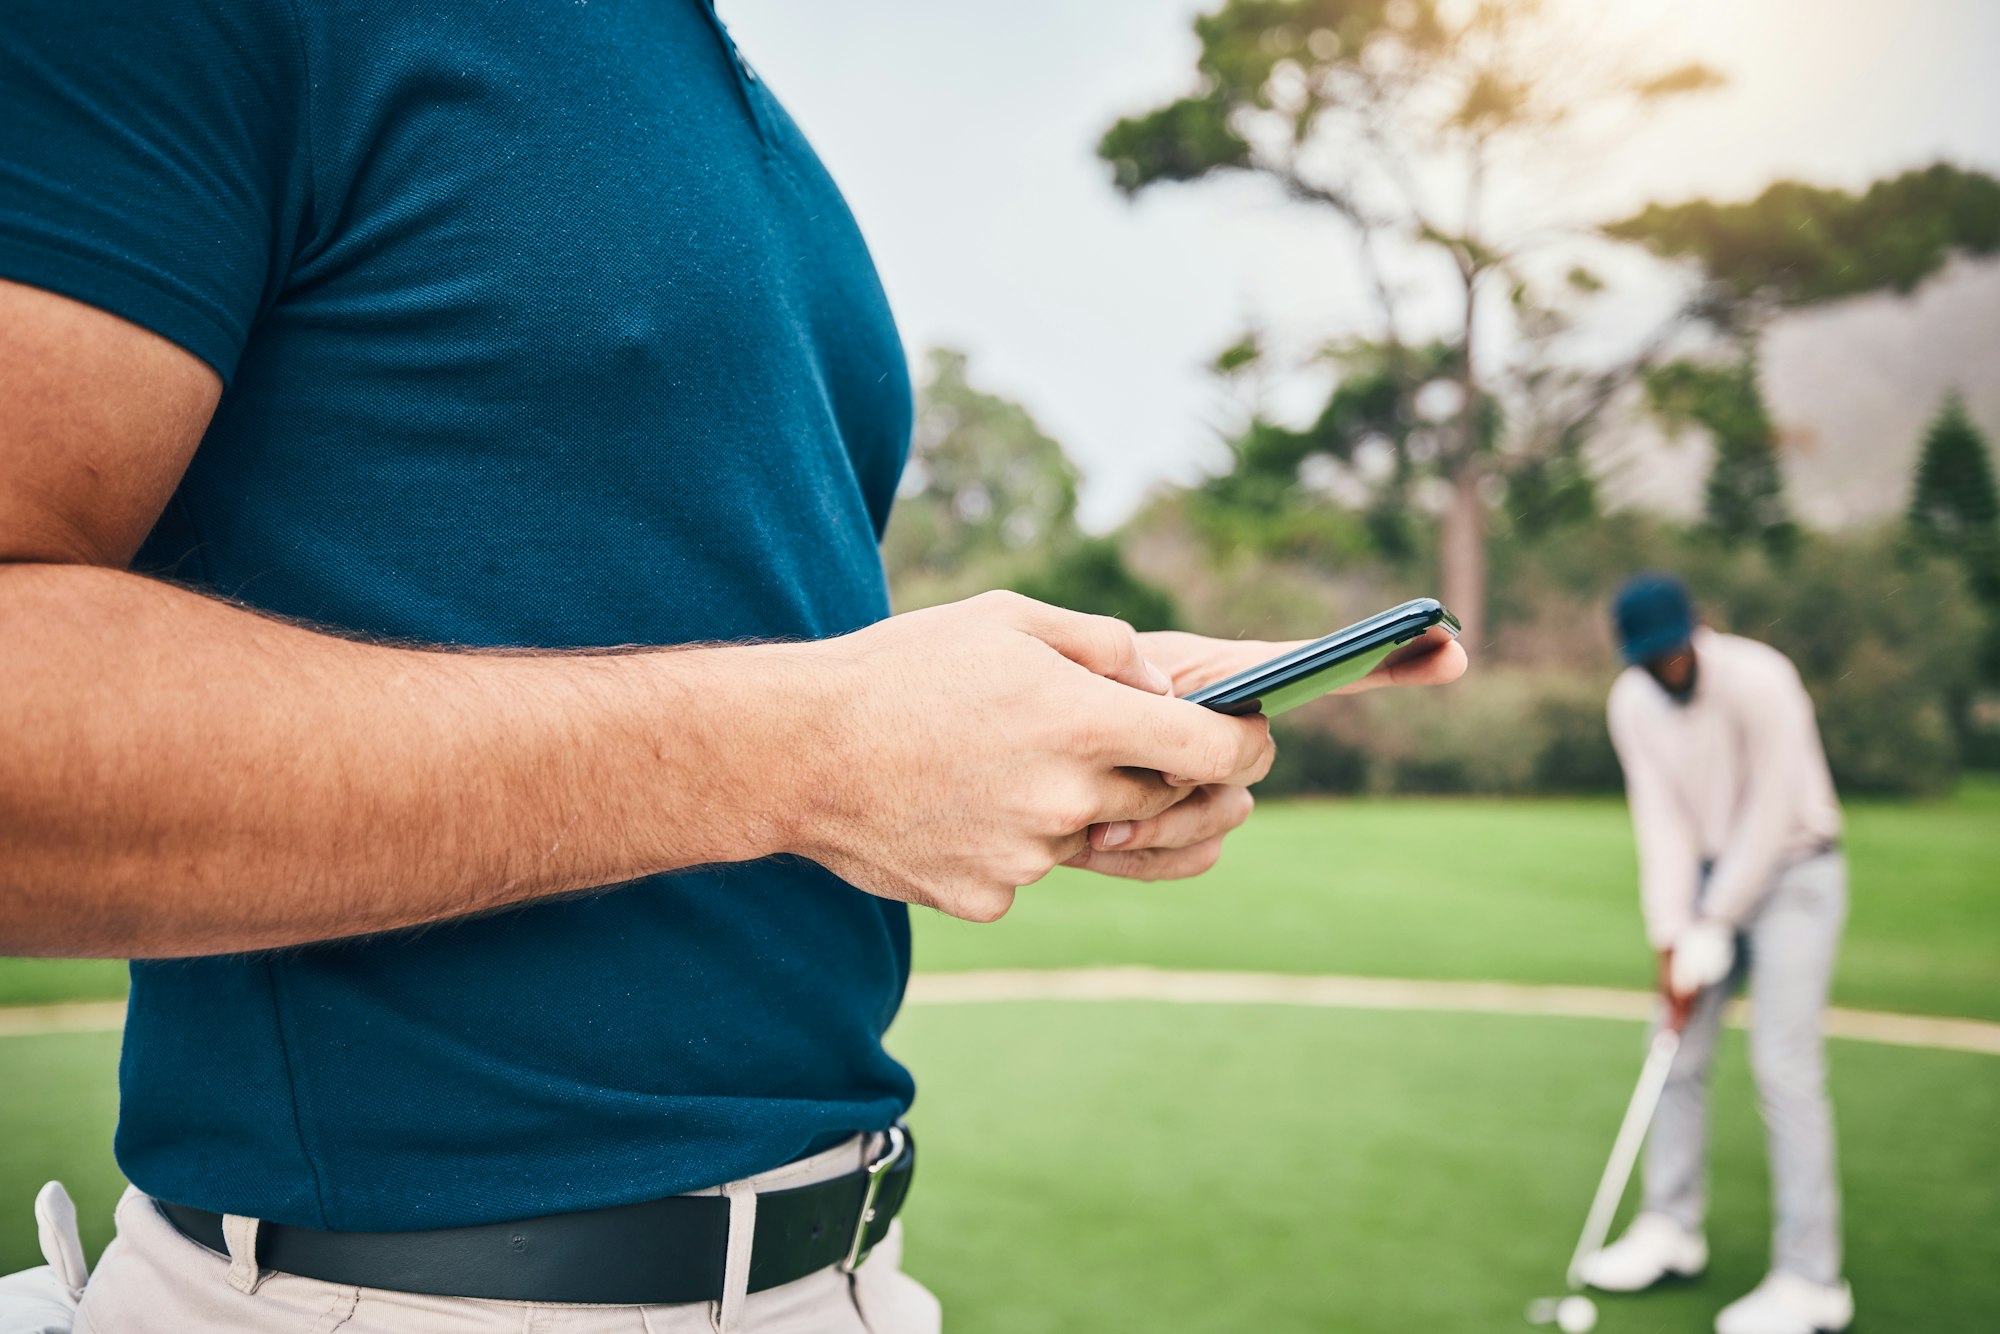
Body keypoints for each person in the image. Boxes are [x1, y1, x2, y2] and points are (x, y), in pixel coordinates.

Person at [0, 3, 1465, 1331]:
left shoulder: (719, 85)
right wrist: (809, 752)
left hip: (846, 1274)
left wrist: (1050, 703)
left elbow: (690, 627)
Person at [1582, 574, 1852, 1334]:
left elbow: (1772, 809)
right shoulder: (1630, 704)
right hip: (1703, 883)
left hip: (1798, 870)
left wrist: (1716, 918)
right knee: (1672, 1049)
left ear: (1693, 634)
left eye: (1670, 653)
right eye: (1647, 660)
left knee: (1784, 1067)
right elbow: (1659, 823)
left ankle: (1812, 1281)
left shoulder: (1762, 679)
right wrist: (1672, 936)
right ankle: (1671, 1228)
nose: (1664, 669)